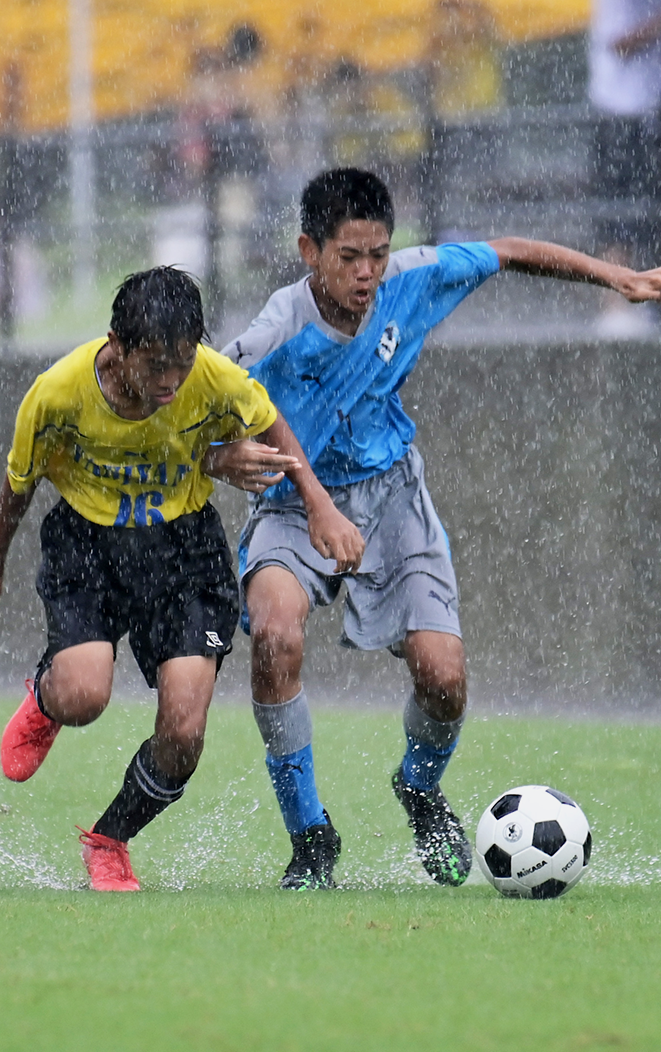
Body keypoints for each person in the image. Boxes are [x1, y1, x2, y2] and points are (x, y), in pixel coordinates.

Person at [216, 167, 661, 890]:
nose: (366, 275)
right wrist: (220, 456)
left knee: (444, 678)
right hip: (295, 506)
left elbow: (509, 249)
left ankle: (419, 788)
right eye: (348, 257)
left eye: (377, 255)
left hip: (394, 499)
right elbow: (192, 420)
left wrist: (620, 278)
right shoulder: (271, 333)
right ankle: (311, 839)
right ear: (308, 250)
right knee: (273, 632)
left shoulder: (412, 279)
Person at [0, 266, 362, 891]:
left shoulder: (209, 378)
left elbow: (270, 422)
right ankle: (46, 697)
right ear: (117, 345)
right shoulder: (57, 394)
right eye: (156, 364)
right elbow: (19, 484)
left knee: (183, 734)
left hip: (183, 552)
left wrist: (318, 504)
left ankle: (110, 839)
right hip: (88, 546)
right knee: (83, 696)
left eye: (183, 361)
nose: (171, 380)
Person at [589, 0, 661, 267]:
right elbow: (617, 40)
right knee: (618, 212)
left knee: (648, 209)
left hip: (648, 111)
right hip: (620, 112)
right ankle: (617, 305)